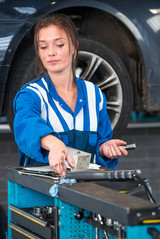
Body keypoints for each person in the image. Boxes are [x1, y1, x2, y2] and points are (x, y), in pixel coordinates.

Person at [13, 13, 128, 177]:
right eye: (43, 47)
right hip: (42, 194)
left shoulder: (94, 94)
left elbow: (100, 141)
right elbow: (25, 124)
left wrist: (104, 148)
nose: (51, 52)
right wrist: (53, 143)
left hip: (85, 191)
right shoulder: (31, 94)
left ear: (74, 46)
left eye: (59, 44)